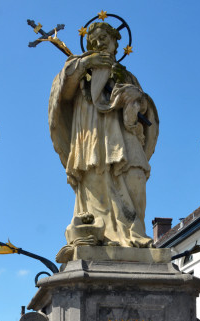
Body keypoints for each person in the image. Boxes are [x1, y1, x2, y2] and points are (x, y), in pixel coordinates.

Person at [49, 20, 159, 258]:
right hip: (92, 135)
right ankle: (101, 236)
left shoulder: (126, 74)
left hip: (123, 135)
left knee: (136, 178)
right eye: (94, 39)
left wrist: (135, 98)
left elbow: (145, 111)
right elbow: (63, 93)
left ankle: (134, 233)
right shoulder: (81, 71)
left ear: (115, 43)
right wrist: (85, 63)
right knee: (95, 180)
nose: (99, 42)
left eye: (104, 38)